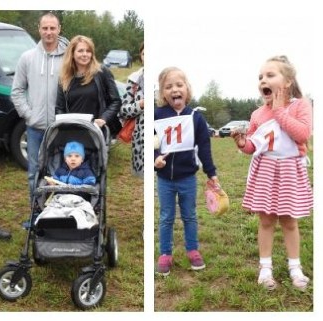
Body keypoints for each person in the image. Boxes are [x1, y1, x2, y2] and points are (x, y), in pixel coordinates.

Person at [230, 56, 312, 290]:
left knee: (289, 221)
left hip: (290, 171)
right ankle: (265, 268)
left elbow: (302, 134)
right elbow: (254, 147)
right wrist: (242, 142)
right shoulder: (257, 114)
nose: (263, 80)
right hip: (265, 171)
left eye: (270, 75)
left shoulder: (300, 105)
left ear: (287, 82)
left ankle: (295, 267)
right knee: (266, 221)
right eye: (260, 77)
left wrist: (279, 111)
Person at [153, 67, 218, 276]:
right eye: (169, 86)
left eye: (179, 85)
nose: (174, 90)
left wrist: (211, 173)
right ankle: (165, 253)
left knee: (189, 215)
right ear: (163, 93)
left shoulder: (196, 117)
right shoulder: (156, 115)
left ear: (186, 89)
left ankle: (192, 250)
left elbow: (205, 147)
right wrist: (155, 159)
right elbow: (150, 144)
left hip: (188, 177)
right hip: (164, 180)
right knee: (166, 217)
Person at [11, 12, 67, 197]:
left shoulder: (68, 58)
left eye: (52, 28)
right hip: (35, 128)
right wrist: (29, 114)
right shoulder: (27, 58)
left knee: (58, 171)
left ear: (59, 29)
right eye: (45, 28)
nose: (48, 32)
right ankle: (36, 215)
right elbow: (17, 90)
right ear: (39, 30)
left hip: (61, 128)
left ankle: (54, 216)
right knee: (34, 172)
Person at [55, 35, 121, 133]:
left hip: (96, 131)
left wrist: (104, 119)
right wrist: (65, 125)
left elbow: (116, 101)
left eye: (88, 51)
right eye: (80, 51)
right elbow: (59, 108)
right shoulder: (64, 77)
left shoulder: (102, 72)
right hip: (72, 131)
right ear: (72, 53)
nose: (85, 54)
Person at [119, 43, 145, 178]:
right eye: (145, 54)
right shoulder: (134, 79)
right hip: (141, 141)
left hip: (165, 137)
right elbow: (123, 110)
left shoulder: (166, 79)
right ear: (141, 57)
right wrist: (140, 105)